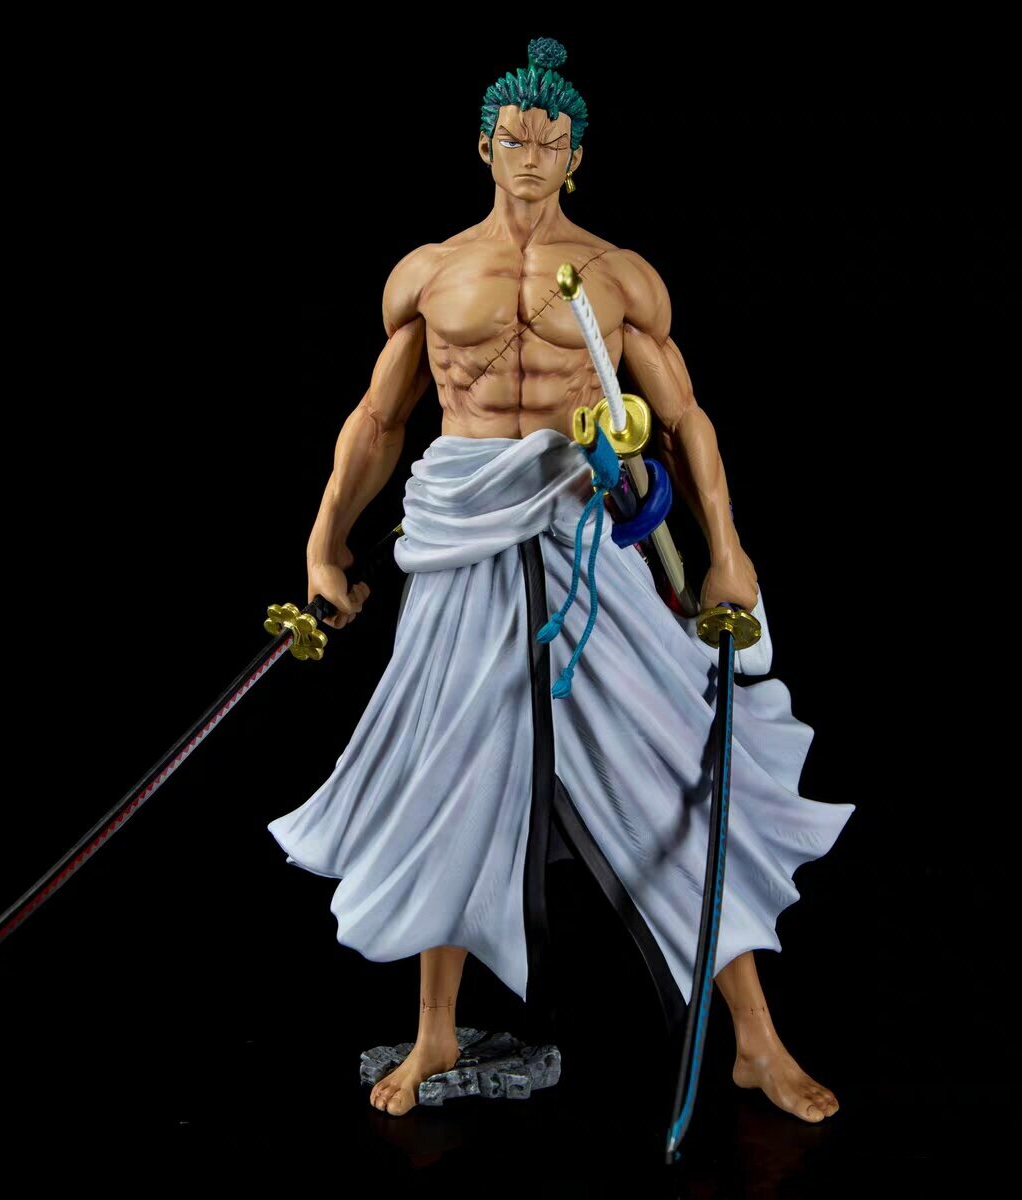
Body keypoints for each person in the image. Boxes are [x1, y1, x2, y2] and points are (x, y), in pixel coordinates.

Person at [267, 38, 853, 1121]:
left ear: (577, 155)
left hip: (585, 535)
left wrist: (726, 552)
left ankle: (757, 1041)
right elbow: (379, 419)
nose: (530, 155)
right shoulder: (431, 271)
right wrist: (322, 545)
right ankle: (436, 1031)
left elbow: (683, 419)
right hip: (460, 538)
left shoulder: (620, 275)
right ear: (483, 144)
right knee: (449, 772)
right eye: (514, 137)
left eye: (551, 140)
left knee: (672, 763)